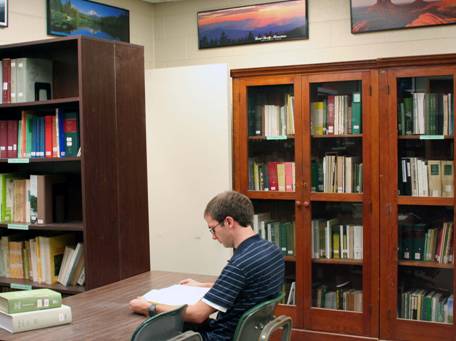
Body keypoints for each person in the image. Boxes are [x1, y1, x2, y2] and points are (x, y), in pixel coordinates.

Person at [129, 190, 285, 341]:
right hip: (247, 334)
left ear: (229, 222)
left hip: (220, 337)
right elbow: (248, 289)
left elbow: (197, 315)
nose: (213, 236)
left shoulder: (239, 265)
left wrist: (149, 307)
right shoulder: (271, 250)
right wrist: (205, 286)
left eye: (213, 229)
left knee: (149, 331)